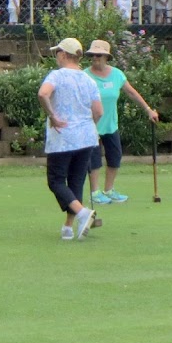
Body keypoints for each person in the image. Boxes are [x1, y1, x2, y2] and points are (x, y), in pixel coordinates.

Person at [37, 37, 103, 241]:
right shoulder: (88, 79)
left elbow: (43, 94)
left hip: (63, 138)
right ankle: (68, 228)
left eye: (57, 52)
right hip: (86, 138)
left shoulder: (56, 76)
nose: (56, 56)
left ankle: (83, 214)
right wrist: (87, 126)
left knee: (56, 181)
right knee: (75, 181)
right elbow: (98, 111)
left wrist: (52, 116)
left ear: (64, 55)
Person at [84, 39, 159, 204]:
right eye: (93, 55)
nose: (95, 58)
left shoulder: (117, 74)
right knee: (94, 160)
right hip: (90, 126)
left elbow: (132, 93)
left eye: (99, 55)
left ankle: (109, 190)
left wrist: (148, 110)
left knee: (115, 157)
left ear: (106, 57)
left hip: (111, 124)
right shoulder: (85, 75)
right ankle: (95, 193)